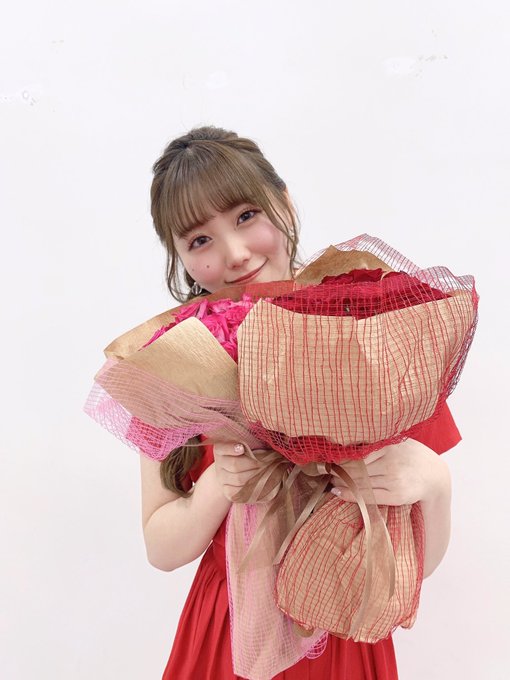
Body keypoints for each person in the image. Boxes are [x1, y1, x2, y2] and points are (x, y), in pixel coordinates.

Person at [140, 125, 460, 679]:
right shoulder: (177, 361)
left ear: (284, 202)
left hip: (345, 627)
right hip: (229, 636)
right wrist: (216, 489)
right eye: (199, 241)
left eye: (245, 216)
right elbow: (160, 549)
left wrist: (434, 482)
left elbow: (416, 568)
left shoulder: (372, 327)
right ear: (180, 259)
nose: (235, 253)